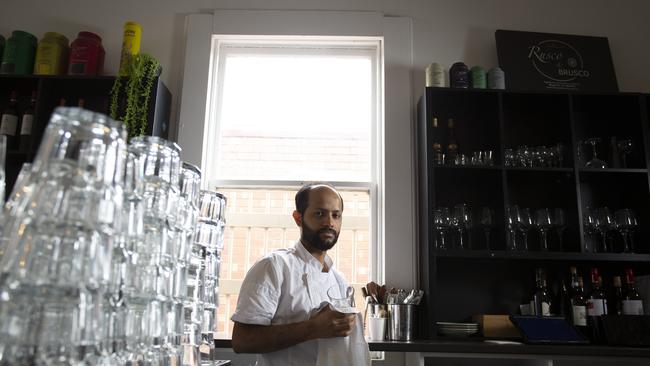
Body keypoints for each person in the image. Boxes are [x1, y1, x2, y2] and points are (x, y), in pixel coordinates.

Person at [231, 183, 369, 365]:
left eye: (336, 215)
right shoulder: (273, 266)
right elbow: (242, 341)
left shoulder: (339, 280)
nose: (330, 222)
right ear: (298, 218)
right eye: (320, 213)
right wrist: (313, 328)